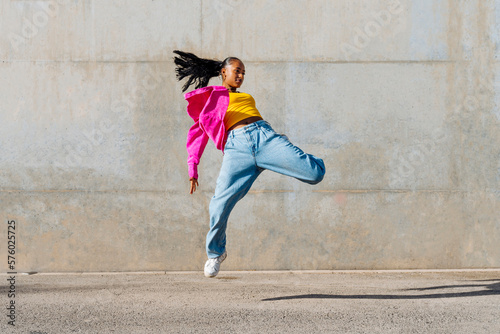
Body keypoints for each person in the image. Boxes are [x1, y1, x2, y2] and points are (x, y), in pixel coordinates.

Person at [173, 50, 326, 277]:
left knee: (315, 174)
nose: (241, 76)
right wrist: (192, 168)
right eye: (237, 71)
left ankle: (288, 148)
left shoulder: (246, 96)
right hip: (237, 149)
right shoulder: (211, 100)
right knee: (219, 204)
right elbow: (197, 134)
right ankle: (215, 254)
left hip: (264, 137)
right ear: (223, 72)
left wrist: (277, 141)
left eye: (243, 72)